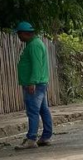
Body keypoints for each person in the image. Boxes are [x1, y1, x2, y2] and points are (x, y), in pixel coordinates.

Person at [14, 22, 53, 150]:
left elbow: (36, 65)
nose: (19, 37)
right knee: (43, 110)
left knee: (32, 111)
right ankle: (46, 136)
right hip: (39, 83)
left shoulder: (34, 45)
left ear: (25, 33)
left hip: (34, 84)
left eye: (19, 34)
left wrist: (32, 82)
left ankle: (31, 138)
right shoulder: (34, 44)